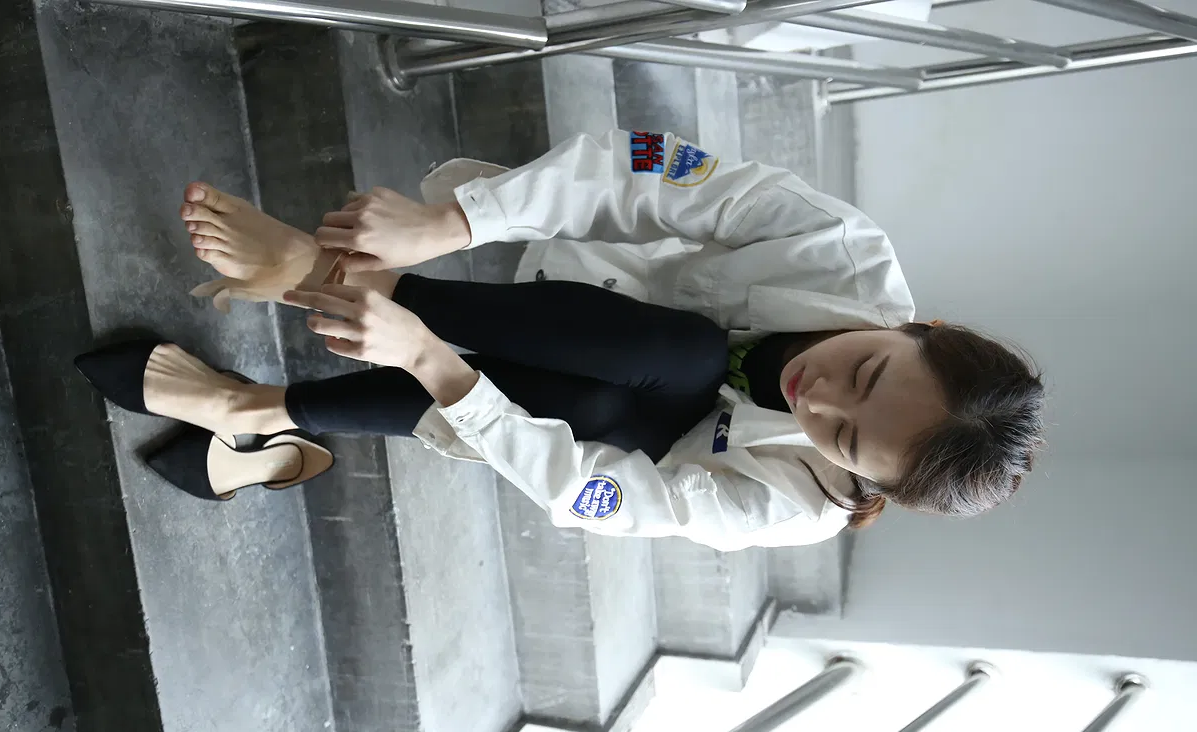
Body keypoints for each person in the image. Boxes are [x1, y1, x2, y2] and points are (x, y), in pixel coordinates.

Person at [73, 129, 1045, 551]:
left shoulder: (799, 508)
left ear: (863, 479)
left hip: (584, 417)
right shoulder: (840, 245)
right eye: (865, 370)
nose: (815, 396)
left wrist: (429, 358)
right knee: (687, 353)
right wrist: (452, 224)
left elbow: (603, 498)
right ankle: (324, 299)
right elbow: (644, 167)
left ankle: (257, 402)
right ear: (923, 327)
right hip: (592, 314)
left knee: (618, 399)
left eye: (843, 438)